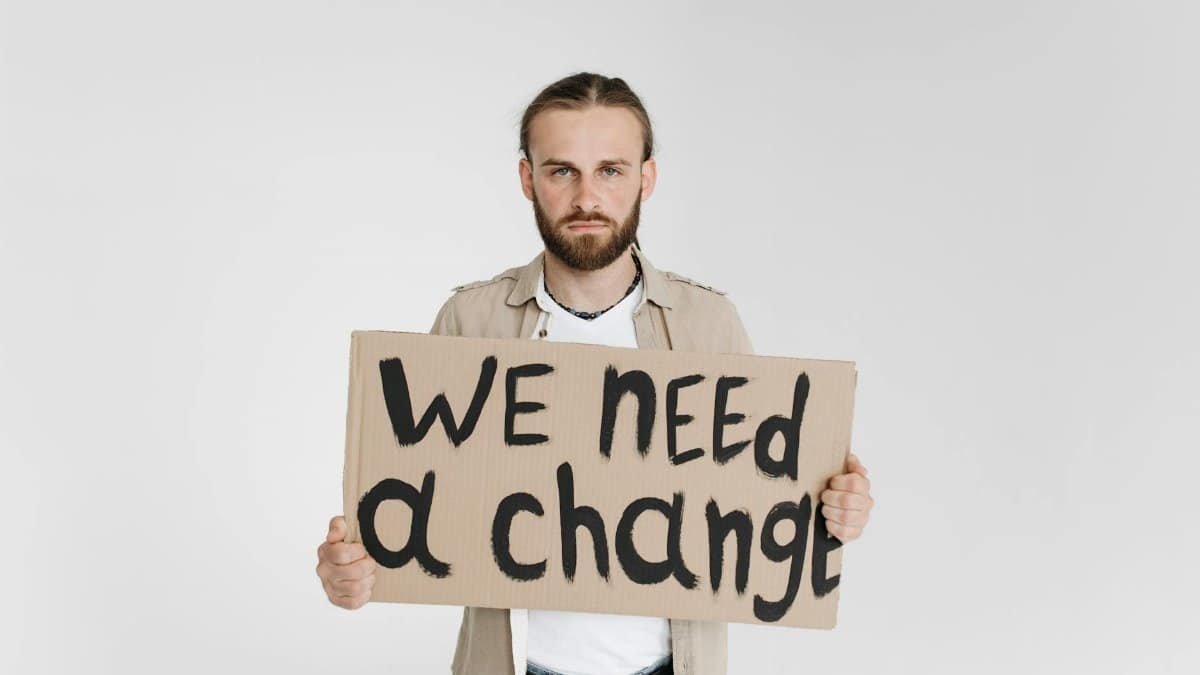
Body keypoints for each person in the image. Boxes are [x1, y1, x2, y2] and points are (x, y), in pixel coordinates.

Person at [315, 72, 875, 675]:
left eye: (610, 170)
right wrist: (349, 572)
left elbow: (767, 498)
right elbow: (417, 510)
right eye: (562, 171)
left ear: (646, 178)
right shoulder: (470, 320)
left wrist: (838, 510)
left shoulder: (709, 323)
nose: (587, 197)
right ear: (528, 179)